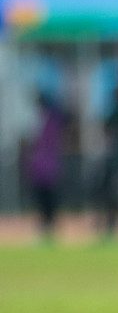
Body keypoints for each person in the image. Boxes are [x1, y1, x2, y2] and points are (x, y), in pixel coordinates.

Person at [25, 90, 68, 243]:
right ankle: (47, 227)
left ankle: (48, 227)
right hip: (45, 166)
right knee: (45, 200)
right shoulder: (48, 120)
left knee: (46, 200)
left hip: (45, 166)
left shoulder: (45, 120)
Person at [95, 84, 118, 240]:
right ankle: (110, 220)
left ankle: (113, 220)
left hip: (116, 159)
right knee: (109, 190)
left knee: (113, 191)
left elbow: (114, 130)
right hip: (112, 157)